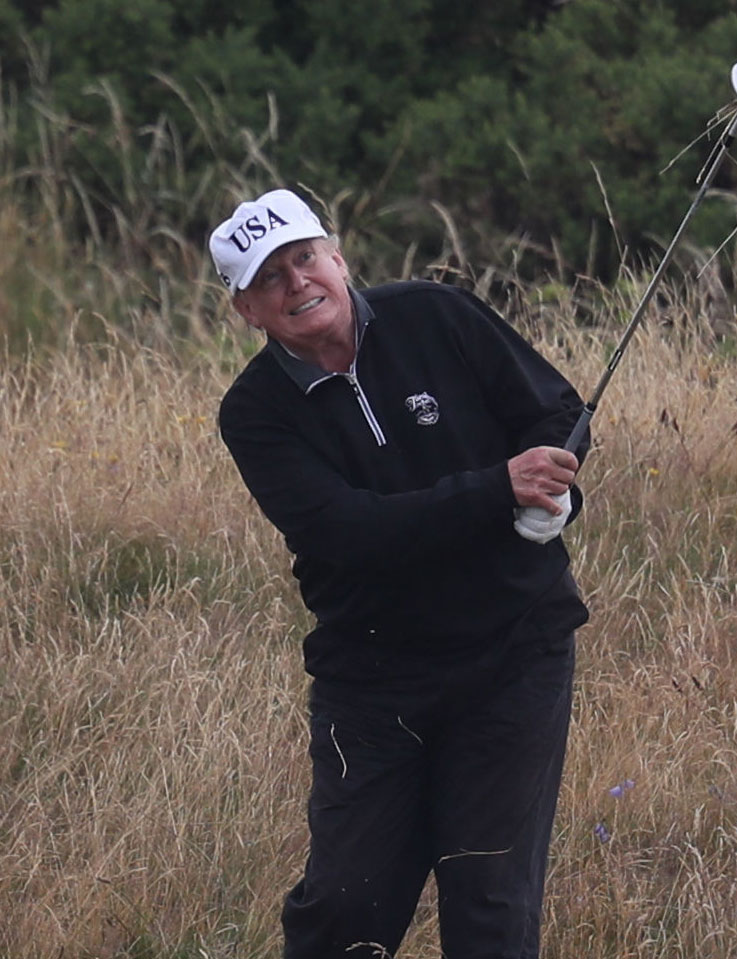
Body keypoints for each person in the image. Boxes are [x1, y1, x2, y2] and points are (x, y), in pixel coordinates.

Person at [212, 188, 591, 959]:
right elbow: (346, 532)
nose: (297, 283)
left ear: (338, 258)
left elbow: (553, 410)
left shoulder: (436, 314)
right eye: (270, 278)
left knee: (489, 897)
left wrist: (558, 494)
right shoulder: (254, 412)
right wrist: (495, 492)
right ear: (247, 310)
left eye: (305, 257)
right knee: (346, 908)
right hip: (375, 677)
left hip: (515, 651)